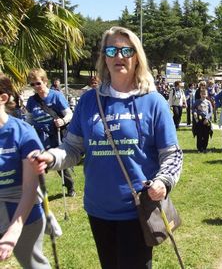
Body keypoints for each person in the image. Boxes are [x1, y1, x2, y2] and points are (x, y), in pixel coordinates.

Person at [30, 26, 183, 268]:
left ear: (137, 56)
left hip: (136, 210)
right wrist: (49, 158)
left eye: (126, 50)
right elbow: (72, 148)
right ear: (104, 57)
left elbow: (172, 155)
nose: (118, 56)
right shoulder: (90, 101)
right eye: (111, 50)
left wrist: (163, 182)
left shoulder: (154, 102)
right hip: (98, 210)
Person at [0, 73, 50, 268]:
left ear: (3, 98)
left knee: (34, 265)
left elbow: (30, 188)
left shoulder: (23, 133)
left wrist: (14, 229)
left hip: (21, 212)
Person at [26, 68, 76, 197]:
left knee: (58, 162)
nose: (36, 86)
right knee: (39, 163)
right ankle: (41, 192)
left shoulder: (56, 96)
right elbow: (29, 118)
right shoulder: (32, 101)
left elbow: (69, 114)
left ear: (44, 81)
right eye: (32, 84)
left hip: (56, 133)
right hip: (40, 136)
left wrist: (62, 121)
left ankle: (70, 186)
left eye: (38, 83)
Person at [192, 88, 213, 153]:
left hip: (206, 120)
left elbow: (210, 111)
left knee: (206, 134)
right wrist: (195, 112)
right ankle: (199, 148)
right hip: (199, 120)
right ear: (200, 94)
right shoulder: (197, 101)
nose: (203, 95)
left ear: (206, 95)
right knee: (199, 134)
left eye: (205, 94)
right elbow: (193, 108)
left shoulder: (208, 102)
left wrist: (207, 118)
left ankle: (204, 148)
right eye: (202, 94)